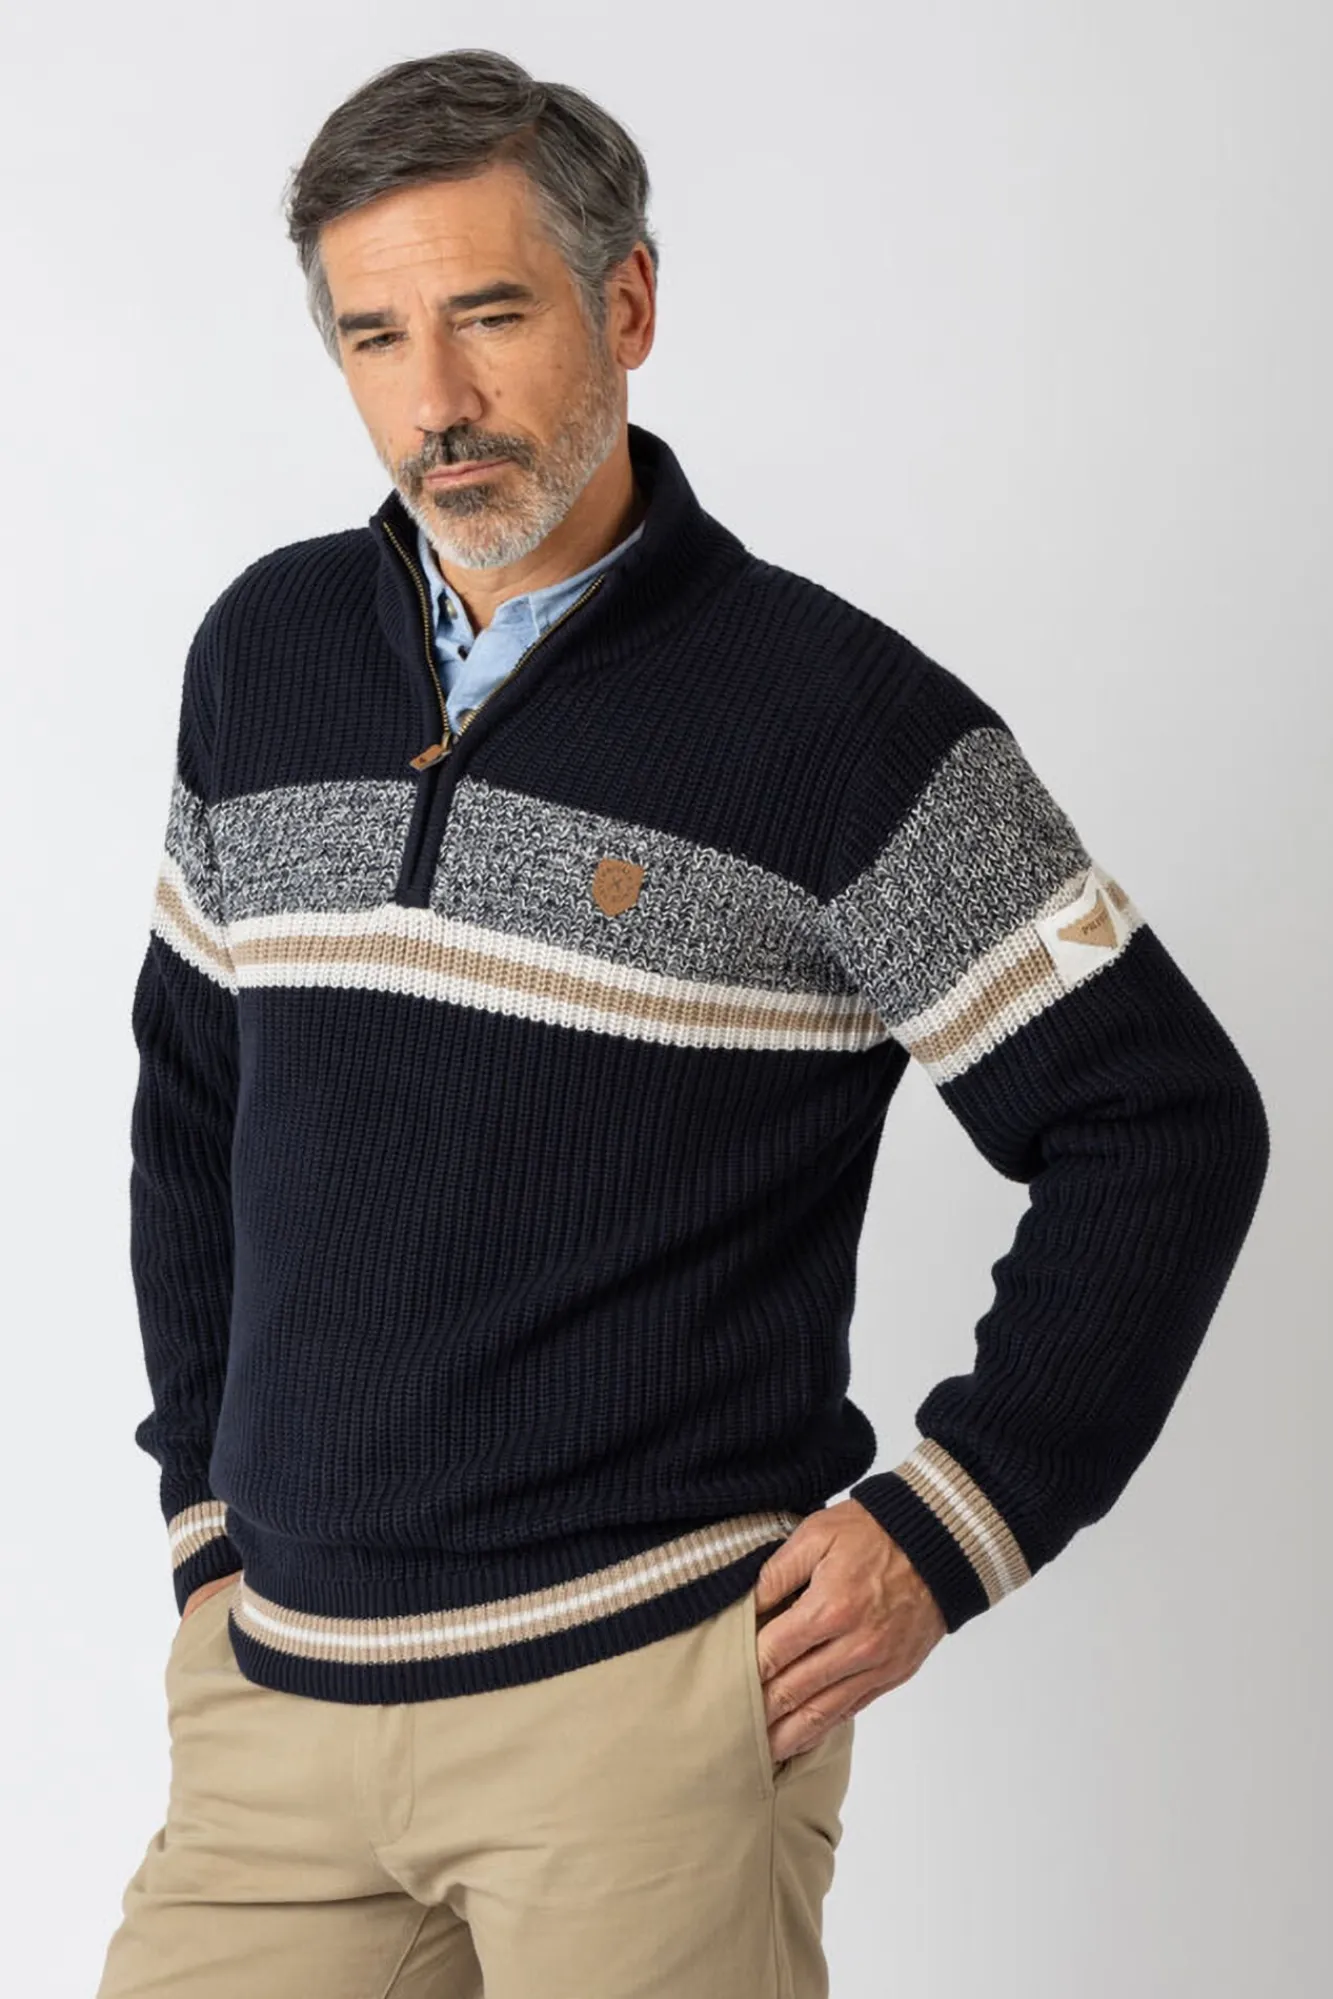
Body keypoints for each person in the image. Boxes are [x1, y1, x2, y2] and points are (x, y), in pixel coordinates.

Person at [95, 46, 1270, 1999]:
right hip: (274, 1713)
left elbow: (1159, 1120)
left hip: (642, 1703)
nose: (435, 398)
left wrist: (954, 1522)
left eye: (490, 315)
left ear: (625, 302)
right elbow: (192, 1110)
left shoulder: (839, 720)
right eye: (376, 336)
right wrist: (203, 1519)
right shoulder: (264, 657)